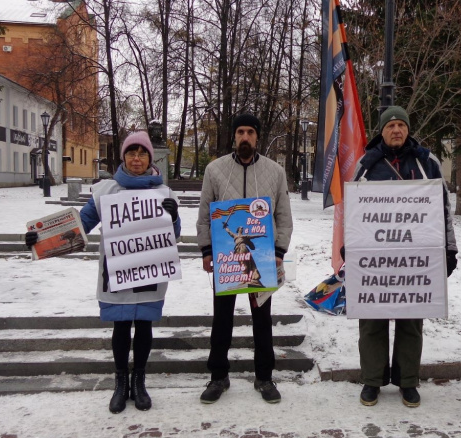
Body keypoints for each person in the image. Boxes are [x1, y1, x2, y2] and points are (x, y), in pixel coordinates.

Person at [25, 131, 181, 414]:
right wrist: (42, 238)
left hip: (149, 269)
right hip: (117, 270)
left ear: (150, 158)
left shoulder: (163, 193)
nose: (136, 158)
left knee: (144, 325)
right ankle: (121, 383)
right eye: (131, 153)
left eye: (142, 153)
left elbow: (175, 235)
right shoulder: (106, 191)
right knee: (121, 326)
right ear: (123, 157)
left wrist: (174, 217)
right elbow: (81, 224)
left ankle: (140, 381)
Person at [351, 106, 458, 408]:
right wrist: (350, 246)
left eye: (401, 125)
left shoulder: (427, 162)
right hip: (376, 257)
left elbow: (443, 208)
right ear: (381, 131)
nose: (396, 130)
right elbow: (353, 211)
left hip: (416, 256)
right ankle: (372, 380)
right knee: (372, 320)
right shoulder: (366, 164)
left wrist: (449, 249)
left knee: (411, 320)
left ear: (408, 129)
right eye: (390, 125)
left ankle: (408, 381)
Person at [196, 113, 293, 404]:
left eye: (251, 131)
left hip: (259, 262)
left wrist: (278, 252)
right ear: (233, 136)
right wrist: (205, 250)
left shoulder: (275, 172)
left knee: (262, 319)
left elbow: (284, 216)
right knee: (221, 320)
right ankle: (218, 376)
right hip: (227, 260)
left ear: (257, 137)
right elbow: (204, 215)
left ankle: (264, 376)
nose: (245, 137)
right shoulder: (214, 170)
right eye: (240, 131)